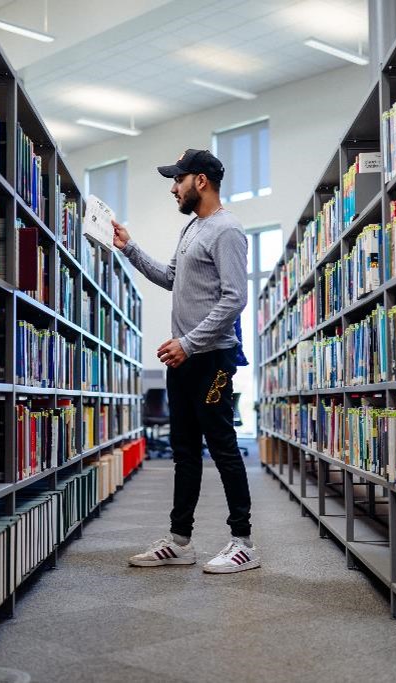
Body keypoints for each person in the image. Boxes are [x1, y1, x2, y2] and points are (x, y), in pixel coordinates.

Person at [112, 148, 260, 574]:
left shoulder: (227, 230)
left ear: (200, 181)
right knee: (184, 451)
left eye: (177, 180)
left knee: (223, 446)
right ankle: (180, 540)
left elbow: (235, 298)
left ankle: (243, 541)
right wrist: (130, 248)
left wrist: (189, 344)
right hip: (185, 358)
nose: (172, 189)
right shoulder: (192, 229)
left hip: (211, 358)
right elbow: (172, 277)